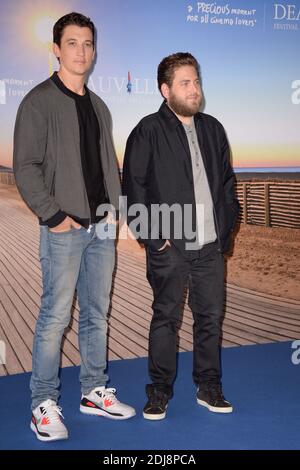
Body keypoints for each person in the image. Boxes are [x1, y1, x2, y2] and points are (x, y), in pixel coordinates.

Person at [13, 12, 135, 442]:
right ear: (56, 49)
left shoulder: (99, 106)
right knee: (55, 317)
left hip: (101, 230)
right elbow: (25, 166)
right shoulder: (39, 101)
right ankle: (42, 404)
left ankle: (93, 391)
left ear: (94, 50)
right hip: (63, 229)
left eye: (88, 43)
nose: (81, 51)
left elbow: (107, 166)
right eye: (72, 43)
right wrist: (52, 214)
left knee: (97, 314)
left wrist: (115, 211)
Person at [122, 52, 239, 420]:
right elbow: (133, 189)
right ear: (165, 89)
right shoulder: (147, 130)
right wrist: (155, 240)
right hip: (169, 246)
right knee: (165, 319)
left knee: (209, 317)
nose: (194, 89)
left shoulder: (213, 128)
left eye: (197, 81)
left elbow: (226, 184)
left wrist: (226, 229)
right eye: (185, 83)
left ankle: (209, 385)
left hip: (210, 246)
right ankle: (159, 391)